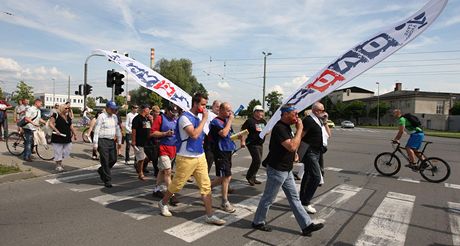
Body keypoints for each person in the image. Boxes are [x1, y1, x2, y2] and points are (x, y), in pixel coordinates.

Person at [252, 104, 324, 236]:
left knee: (295, 199)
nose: (297, 117)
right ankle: (258, 221)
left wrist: (295, 153)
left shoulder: (286, 127)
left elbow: (292, 145)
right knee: (268, 198)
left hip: (287, 169)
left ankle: (306, 225)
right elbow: (291, 145)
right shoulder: (280, 128)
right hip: (277, 170)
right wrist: (300, 129)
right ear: (285, 114)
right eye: (295, 114)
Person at [158, 93, 225, 226]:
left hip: (200, 156)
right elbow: (194, 134)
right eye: (202, 105)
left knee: (206, 186)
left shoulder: (199, 116)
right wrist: (204, 119)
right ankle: (163, 202)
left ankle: (210, 215)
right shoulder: (185, 117)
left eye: (206, 105)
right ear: (195, 103)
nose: (205, 108)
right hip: (186, 157)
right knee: (177, 184)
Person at [299, 102, 331, 214]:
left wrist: (325, 120)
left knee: (307, 175)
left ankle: (302, 198)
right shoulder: (308, 120)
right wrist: (295, 152)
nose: (324, 112)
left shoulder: (319, 120)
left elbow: (328, 134)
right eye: (322, 110)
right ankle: (305, 202)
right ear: (316, 111)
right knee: (316, 177)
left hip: (317, 151)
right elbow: (300, 135)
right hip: (309, 151)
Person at [209, 102, 237, 213]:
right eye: (227, 110)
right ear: (220, 110)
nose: (229, 113)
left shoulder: (226, 121)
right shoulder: (215, 122)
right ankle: (224, 202)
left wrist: (239, 137)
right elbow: (224, 134)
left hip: (227, 150)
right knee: (226, 176)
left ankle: (207, 187)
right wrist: (230, 120)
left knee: (223, 177)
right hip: (220, 152)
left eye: (230, 110)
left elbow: (230, 135)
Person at [151, 104, 178, 200]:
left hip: (173, 149)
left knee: (162, 171)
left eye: (175, 113)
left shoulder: (176, 119)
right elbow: (153, 133)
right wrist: (165, 133)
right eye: (172, 112)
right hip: (163, 148)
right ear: (167, 110)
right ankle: (171, 195)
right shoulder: (160, 118)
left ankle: (156, 189)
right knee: (167, 172)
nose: (174, 114)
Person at [93, 101, 122, 188]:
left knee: (113, 159)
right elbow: (97, 130)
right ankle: (107, 180)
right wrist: (95, 143)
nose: (114, 110)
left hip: (111, 141)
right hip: (102, 140)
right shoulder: (101, 116)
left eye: (115, 108)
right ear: (107, 108)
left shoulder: (115, 117)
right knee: (105, 161)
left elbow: (117, 129)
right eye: (112, 108)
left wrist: (119, 141)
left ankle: (102, 170)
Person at [241, 105, 267, 186]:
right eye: (258, 111)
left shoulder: (263, 121)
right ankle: (249, 176)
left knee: (257, 162)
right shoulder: (250, 121)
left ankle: (253, 177)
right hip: (252, 143)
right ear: (254, 112)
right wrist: (242, 141)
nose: (260, 112)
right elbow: (243, 131)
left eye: (261, 111)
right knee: (257, 160)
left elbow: (266, 131)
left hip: (260, 144)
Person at [49, 104, 77, 172]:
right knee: (58, 151)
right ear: (62, 108)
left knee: (68, 149)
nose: (67, 109)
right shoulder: (55, 115)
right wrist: (56, 130)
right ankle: (58, 165)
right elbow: (51, 123)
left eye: (68, 108)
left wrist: (75, 134)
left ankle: (59, 160)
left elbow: (71, 126)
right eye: (66, 108)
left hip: (66, 136)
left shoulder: (68, 116)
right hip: (57, 136)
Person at [131, 104, 152, 181]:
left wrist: (151, 119)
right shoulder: (137, 119)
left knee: (148, 158)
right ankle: (140, 173)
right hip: (139, 142)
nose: (149, 110)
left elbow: (150, 128)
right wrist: (133, 141)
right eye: (148, 109)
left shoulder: (147, 119)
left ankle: (138, 166)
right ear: (144, 109)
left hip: (147, 142)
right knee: (141, 159)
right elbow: (134, 130)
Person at [204, 100, 221, 172]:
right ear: (213, 106)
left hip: (216, 141)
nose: (218, 109)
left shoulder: (220, 117)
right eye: (217, 107)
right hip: (208, 140)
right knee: (208, 159)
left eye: (220, 107)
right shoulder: (208, 114)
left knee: (211, 160)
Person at [144, 106, 161, 176]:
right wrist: (151, 121)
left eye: (158, 112)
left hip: (158, 140)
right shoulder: (148, 120)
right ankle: (156, 171)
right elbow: (148, 131)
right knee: (153, 157)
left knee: (154, 156)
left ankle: (143, 165)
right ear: (152, 112)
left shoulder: (160, 119)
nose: (157, 114)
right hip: (150, 141)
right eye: (156, 112)